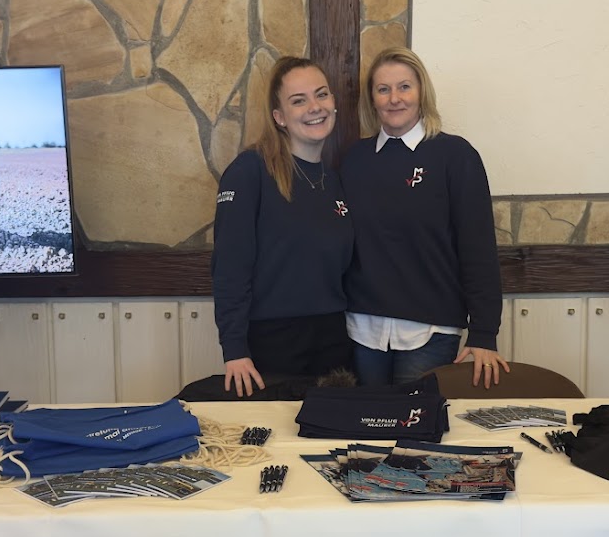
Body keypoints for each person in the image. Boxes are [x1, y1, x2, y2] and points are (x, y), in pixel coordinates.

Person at [341, 47, 507, 387]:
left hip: (430, 332)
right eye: (383, 89)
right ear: (372, 99)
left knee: (416, 422)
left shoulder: (455, 156)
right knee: (363, 420)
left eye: (404, 87)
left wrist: (484, 332)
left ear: (421, 93)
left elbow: (478, 247)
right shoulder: (353, 160)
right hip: (361, 330)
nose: (394, 98)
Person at [211, 56, 354, 397]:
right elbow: (230, 266)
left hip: (335, 340)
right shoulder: (250, 172)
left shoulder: (334, 180)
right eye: (299, 100)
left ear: (333, 102)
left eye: (322, 94)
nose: (315, 107)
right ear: (279, 117)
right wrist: (234, 349)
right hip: (272, 342)